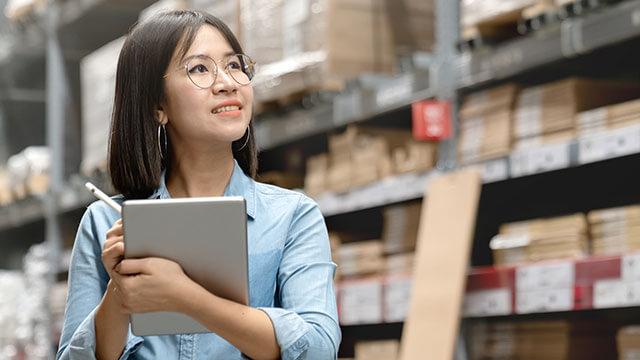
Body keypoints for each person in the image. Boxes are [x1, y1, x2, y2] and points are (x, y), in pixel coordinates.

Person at [56, 10, 340, 360]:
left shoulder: (292, 217)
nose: (227, 82)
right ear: (157, 106)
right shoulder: (104, 224)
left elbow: (318, 349)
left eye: (234, 65)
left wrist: (184, 295)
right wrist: (120, 289)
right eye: (199, 69)